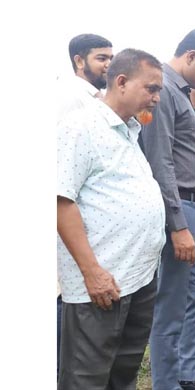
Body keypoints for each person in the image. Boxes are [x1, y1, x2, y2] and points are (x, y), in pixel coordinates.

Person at [57, 48, 166, 390]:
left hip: (137, 276)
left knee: (124, 371)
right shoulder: (81, 126)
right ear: (121, 82)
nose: (157, 98)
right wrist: (93, 272)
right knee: (87, 378)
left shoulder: (130, 130)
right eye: (151, 89)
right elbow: (60, 201)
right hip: (102, 284)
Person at [138, 27, 195, 390]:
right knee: (172, 304)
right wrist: (177, 225)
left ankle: (189, 375)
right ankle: (166, 382)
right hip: (178, 209)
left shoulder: (182, 94)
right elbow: (160, 162)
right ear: (190, 56)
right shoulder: (162, 93)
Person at [56, 32, 114, 377]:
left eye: (111, 57)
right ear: (79, 60)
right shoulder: (70, 99)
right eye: (101, 58)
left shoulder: (96, 98)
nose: (108, 64)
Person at [56, 33, 113, 120]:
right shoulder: (71, 97)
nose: (109, 64)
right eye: (102, 59)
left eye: (111, 59)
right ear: (79, 62)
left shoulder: (98, 96)